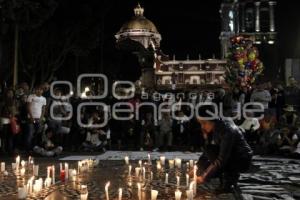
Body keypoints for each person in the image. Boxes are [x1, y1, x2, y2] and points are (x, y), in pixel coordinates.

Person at [193, 105, 253, 193]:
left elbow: (222, 158)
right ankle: (223, 178)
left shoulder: (227, 130)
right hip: (230, 156)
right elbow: (208, 152)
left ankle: (229, 182)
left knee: (215, 162)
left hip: (241, 158)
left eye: (204, 123)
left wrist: (204, 176)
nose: (202, 127)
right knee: (209, 151)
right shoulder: (216, 126)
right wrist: (197, 167)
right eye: (200, 123)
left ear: (212, 120)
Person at [26, 85, 47, 150]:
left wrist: (41, 118)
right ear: (35, 90)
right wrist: (31, 117)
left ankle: (35, 148)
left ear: (42, 91)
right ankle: (28, 149)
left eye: (40, 90)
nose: (39, 91)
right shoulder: (31, 96)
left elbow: (43, 109)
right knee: (30, 134)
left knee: (37, 134)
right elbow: (28, 107)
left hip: (38, 119)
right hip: (31, 118)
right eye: (37, 89)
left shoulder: (44, 99)